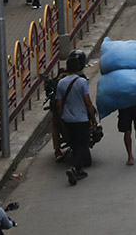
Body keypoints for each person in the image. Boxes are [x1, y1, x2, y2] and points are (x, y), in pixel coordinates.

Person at [55, 49, 97, 186]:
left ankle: (79, 171)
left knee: (74, 144)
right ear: (79, 67)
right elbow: (88, 102)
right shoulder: (81, 82)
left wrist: (61, 117)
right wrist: (93, 117)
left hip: (68, 120)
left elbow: (59, 104)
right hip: (81, 119)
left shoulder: (61, 83)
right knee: (82, 145)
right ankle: (74, 168)